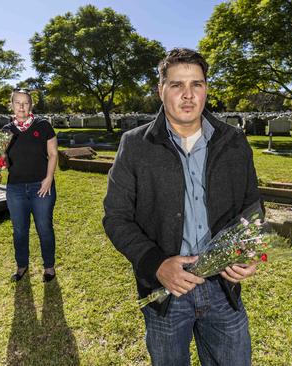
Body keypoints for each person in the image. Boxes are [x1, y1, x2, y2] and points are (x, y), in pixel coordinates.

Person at [103, 48, 262, 365]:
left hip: (222, 286)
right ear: (161, 90)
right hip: (167, 290)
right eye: (177, 85)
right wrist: (156, 264)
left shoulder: (233, 141)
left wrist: (248, 250)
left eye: (197, 84)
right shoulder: (135, 145)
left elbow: (252, 206)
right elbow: (117, 217)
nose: (188, 95)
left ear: (206, 88)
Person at [2, 88, 58, 283]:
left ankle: (49, 266)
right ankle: (21, 265)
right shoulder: (5, 131)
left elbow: (53, 154)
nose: (21, 106)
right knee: (19, 230)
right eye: (17, 102)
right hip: (15, 188)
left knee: (44, 227)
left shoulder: (43, 126)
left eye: (25, 103)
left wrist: (49, 178)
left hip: (41, 186)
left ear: (31, 105)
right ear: (12, 105)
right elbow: (4, 161)